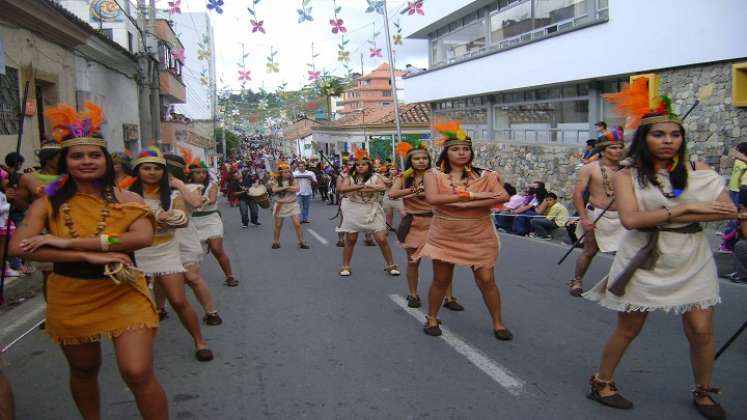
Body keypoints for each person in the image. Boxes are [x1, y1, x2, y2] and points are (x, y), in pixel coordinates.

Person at [583, 79, 736, 419]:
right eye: (658, 135)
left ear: (682, 138)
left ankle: (704, 390)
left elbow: (726, 210)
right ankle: (601, 380)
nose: (668, 141)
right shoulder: (629, 175)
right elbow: (631, 220)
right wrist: (682, 210)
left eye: (674, 135)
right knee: (630, 327)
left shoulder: (700, 171)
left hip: (692, 255)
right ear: (644, 139)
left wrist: (670, 213)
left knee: (701, 330)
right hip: (644, 258)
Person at [10, 102, 168, 419]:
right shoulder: (48, 201)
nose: (86, 161)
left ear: (106, 160)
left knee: (137, 371)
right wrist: (84, 255)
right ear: (65, 162)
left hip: (124, 290)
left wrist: (71, 242)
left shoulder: (128, 198)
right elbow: (18, 245)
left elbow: (141, 237)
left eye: (94, 155)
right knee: (83, 370)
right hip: (71, 293)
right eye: (77, 156)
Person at [413, 121, 512, 340]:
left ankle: (498, 323)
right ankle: (431, 318)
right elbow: (433, 199)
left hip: (479, 234)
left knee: (487, 279)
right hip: (445, 235)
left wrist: (469, 198)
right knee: (441, 279)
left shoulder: (487, 175)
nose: (462, 153)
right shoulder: (433, 175)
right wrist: (475, 197)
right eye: (456, 149)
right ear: (446, 152)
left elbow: (503, 196)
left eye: (465, 149)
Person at [129, 147, 213, 362]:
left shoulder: (173, 194)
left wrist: (158, 216)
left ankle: (199, 341)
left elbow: (182, 219)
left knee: (178, 300)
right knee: (138, 305)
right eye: (146, 168)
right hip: (137, 254)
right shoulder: (126, 195)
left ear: (164, 172)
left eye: (157, 168)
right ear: (138, 171)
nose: (151, 172)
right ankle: (139, 349)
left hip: (165, 251)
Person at [389, 142, 464, 310]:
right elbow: (393, 194)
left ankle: (449, 297)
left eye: (424, 158)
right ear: (411, 161)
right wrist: (416, 191)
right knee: (413, 262)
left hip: (437, 223)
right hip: (414, 223)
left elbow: (450, 193)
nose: (421, 161)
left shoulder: (438, 175)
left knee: (444, 262)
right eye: (417, 158)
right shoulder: (404, 177)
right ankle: (413, 294)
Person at [165, 153, 222, 325]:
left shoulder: (191, 188)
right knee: (159, 278)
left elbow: (197, 203)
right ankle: (160, 309)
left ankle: (211, 312)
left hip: (184, 238)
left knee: (192, 277)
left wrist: (179, 185)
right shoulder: (147, 189)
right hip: (158, 241)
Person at [569, 132, 626, 296]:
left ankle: (619, 283)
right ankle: (577, 280)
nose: (618, 151)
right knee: (590, 251)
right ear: (602, 150)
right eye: (613, 147)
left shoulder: (627, 169)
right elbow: (578, 194)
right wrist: (584, 218)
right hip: (597, 215)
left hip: (623, 216)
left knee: (628, 251)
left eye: (620, 147)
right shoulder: (590, 168)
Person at [336, 149, 399, 277]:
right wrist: (359, 187)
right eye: (358, 164)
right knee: (351, 239)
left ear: (369, 166)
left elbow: (381, 187)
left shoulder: (375, 177)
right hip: (353, 208)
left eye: (363, 164)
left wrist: (367, 187)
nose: (360, 166)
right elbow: (342, 189)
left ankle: (391, 266)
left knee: (381, 239)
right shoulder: (349, 177)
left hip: (372, 209)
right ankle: (346, 266)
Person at [188, 160, 238, 287]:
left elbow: (212, 199)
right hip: (193, 221)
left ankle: (229, 276)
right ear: (191, 174)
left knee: (217, 249)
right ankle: (193, 278)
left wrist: (198, 198)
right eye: (197, 173)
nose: (201, 175)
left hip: (211, 219)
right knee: (195, 253)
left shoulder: (212, 185)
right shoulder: (186, 187)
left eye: (203, 173)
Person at [270, 161, 309, 249]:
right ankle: (276, 241)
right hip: (280, 205)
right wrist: (287, 187)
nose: (288, 173)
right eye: (285, 172)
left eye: (289, 172)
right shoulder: (276, 180)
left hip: (292, 204)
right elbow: (274, 189)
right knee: (278, 225)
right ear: (281, 173)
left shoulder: (293, 180)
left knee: (297, 224)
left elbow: (297, 189)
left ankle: (301, 242)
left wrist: (286, 188)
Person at [382, 165, 407, 232]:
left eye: (394, 169)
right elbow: (387, 184)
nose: (392, 170)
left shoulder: (401, 177)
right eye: (391, 169)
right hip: (387, 198)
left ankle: (404, 228)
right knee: (388, 214)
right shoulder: (385, 176)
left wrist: (401, 177)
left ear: (397, 170)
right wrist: (392, 178)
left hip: (399, 198)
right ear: (389, 170)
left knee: (403, 214)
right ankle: (388, 228)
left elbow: (403, 187)